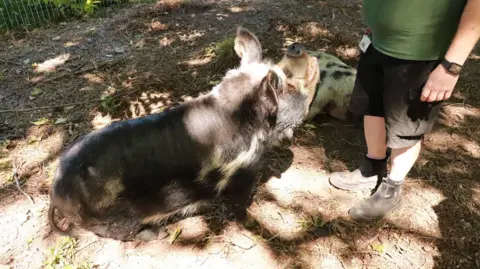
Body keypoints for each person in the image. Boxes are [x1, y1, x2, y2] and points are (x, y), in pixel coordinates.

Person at [329, 0, 480, 222]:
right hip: (377, 43)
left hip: (420, 54)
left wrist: (451, 67)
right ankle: (372, 169)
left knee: (405, 125)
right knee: (373, 108)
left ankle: (392, 189)